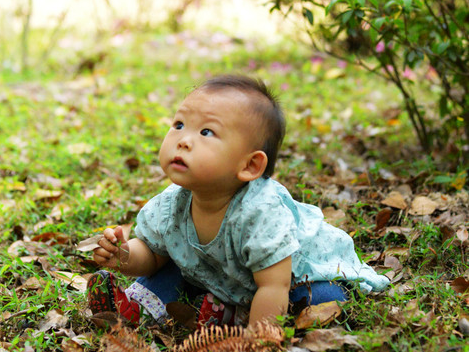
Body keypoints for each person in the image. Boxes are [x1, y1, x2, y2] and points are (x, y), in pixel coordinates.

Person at [88, 74, 389, 329]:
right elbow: (153, 254)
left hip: (294, 279)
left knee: (321, 298)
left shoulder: (260, 214)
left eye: (207, 132)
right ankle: (138, 306)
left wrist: (257, 339)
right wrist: (124, 255)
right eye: (179, 124)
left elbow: (274, 285)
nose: (183, 139)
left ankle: (234, 317)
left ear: (249, 166)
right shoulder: (172, 204)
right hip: (219, 276)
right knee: (168, 270)